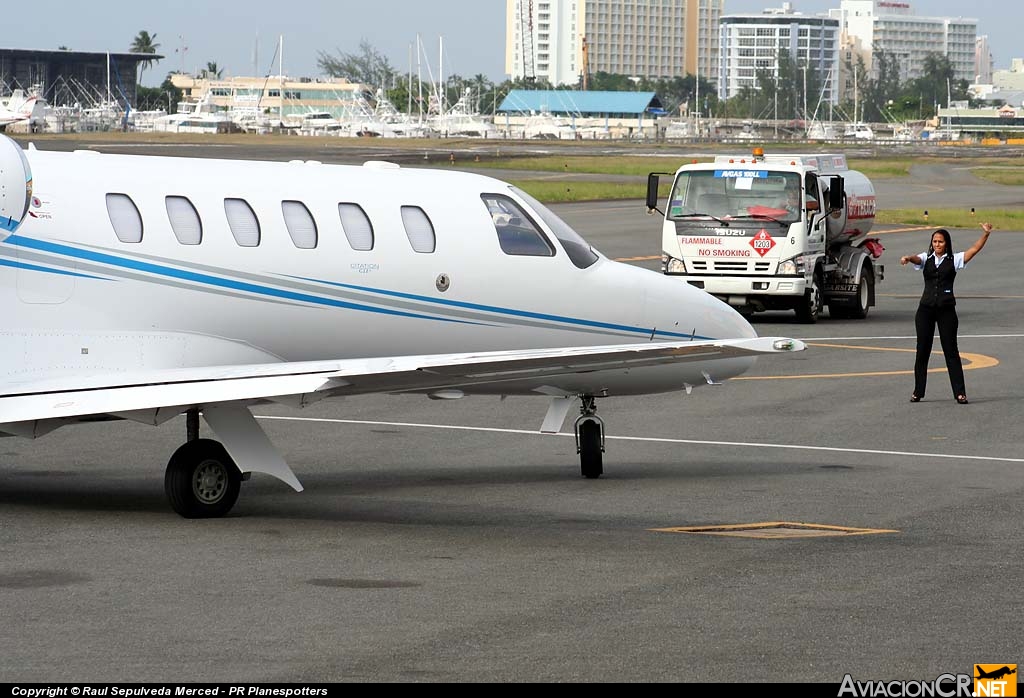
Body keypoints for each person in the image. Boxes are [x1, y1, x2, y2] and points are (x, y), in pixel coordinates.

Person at [899, 222, 994, 404]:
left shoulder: (954, 259)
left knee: (950, 350)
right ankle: (918, 391)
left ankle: (960, 393)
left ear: (946, 244)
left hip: (946, 310)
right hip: (925, 310)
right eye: (934, 241)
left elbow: (973, 250)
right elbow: (916, 259)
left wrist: (986, 235)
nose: (937, 244)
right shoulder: (926, 258)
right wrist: (908, 258)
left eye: (940, 242)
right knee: (922, 351)